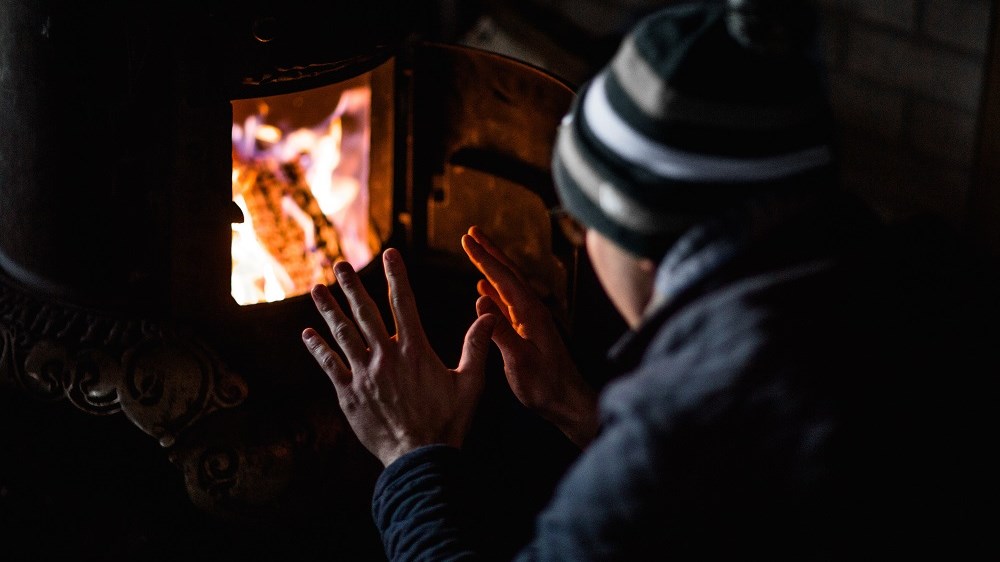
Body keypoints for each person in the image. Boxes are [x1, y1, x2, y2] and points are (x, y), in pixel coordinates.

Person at [301, 0, 998, 559]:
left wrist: (412, 452)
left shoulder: (669, 441)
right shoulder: (925, 285)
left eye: (579, 223)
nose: (579, 241)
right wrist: (578, 407)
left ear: (638, 241)